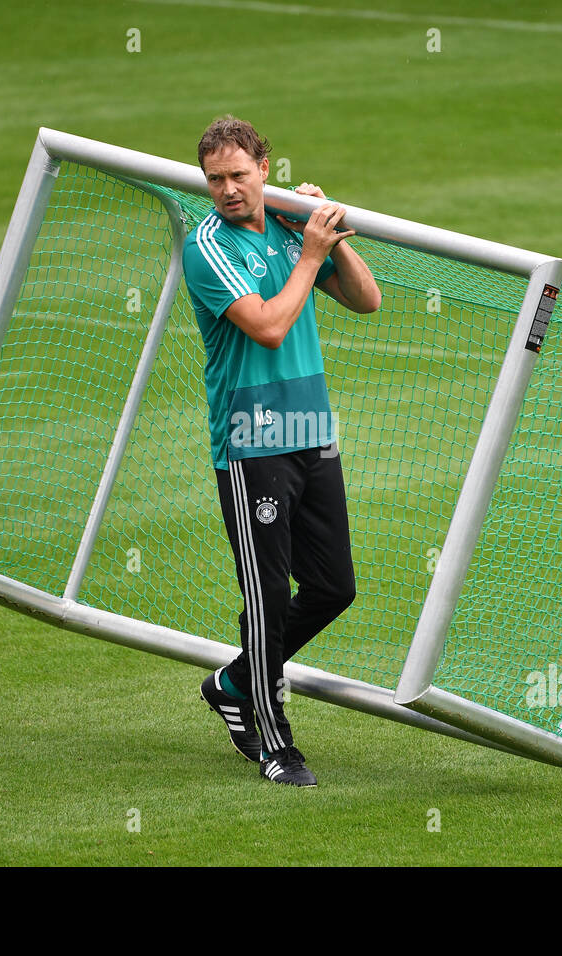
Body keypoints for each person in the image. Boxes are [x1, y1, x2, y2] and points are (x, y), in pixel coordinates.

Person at [181, 116, 381, 787]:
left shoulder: (290, 227)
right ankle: (272, 742)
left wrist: (330, 237)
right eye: (216, 179)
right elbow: (268, 326)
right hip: (251, 442)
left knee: (333, 587)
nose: (229, 190)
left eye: (239, 175)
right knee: (266, 595)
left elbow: (367, 300)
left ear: (265, 167)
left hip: (311, 434)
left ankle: (235, 681)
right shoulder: (207, 246)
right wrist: (309, 255)